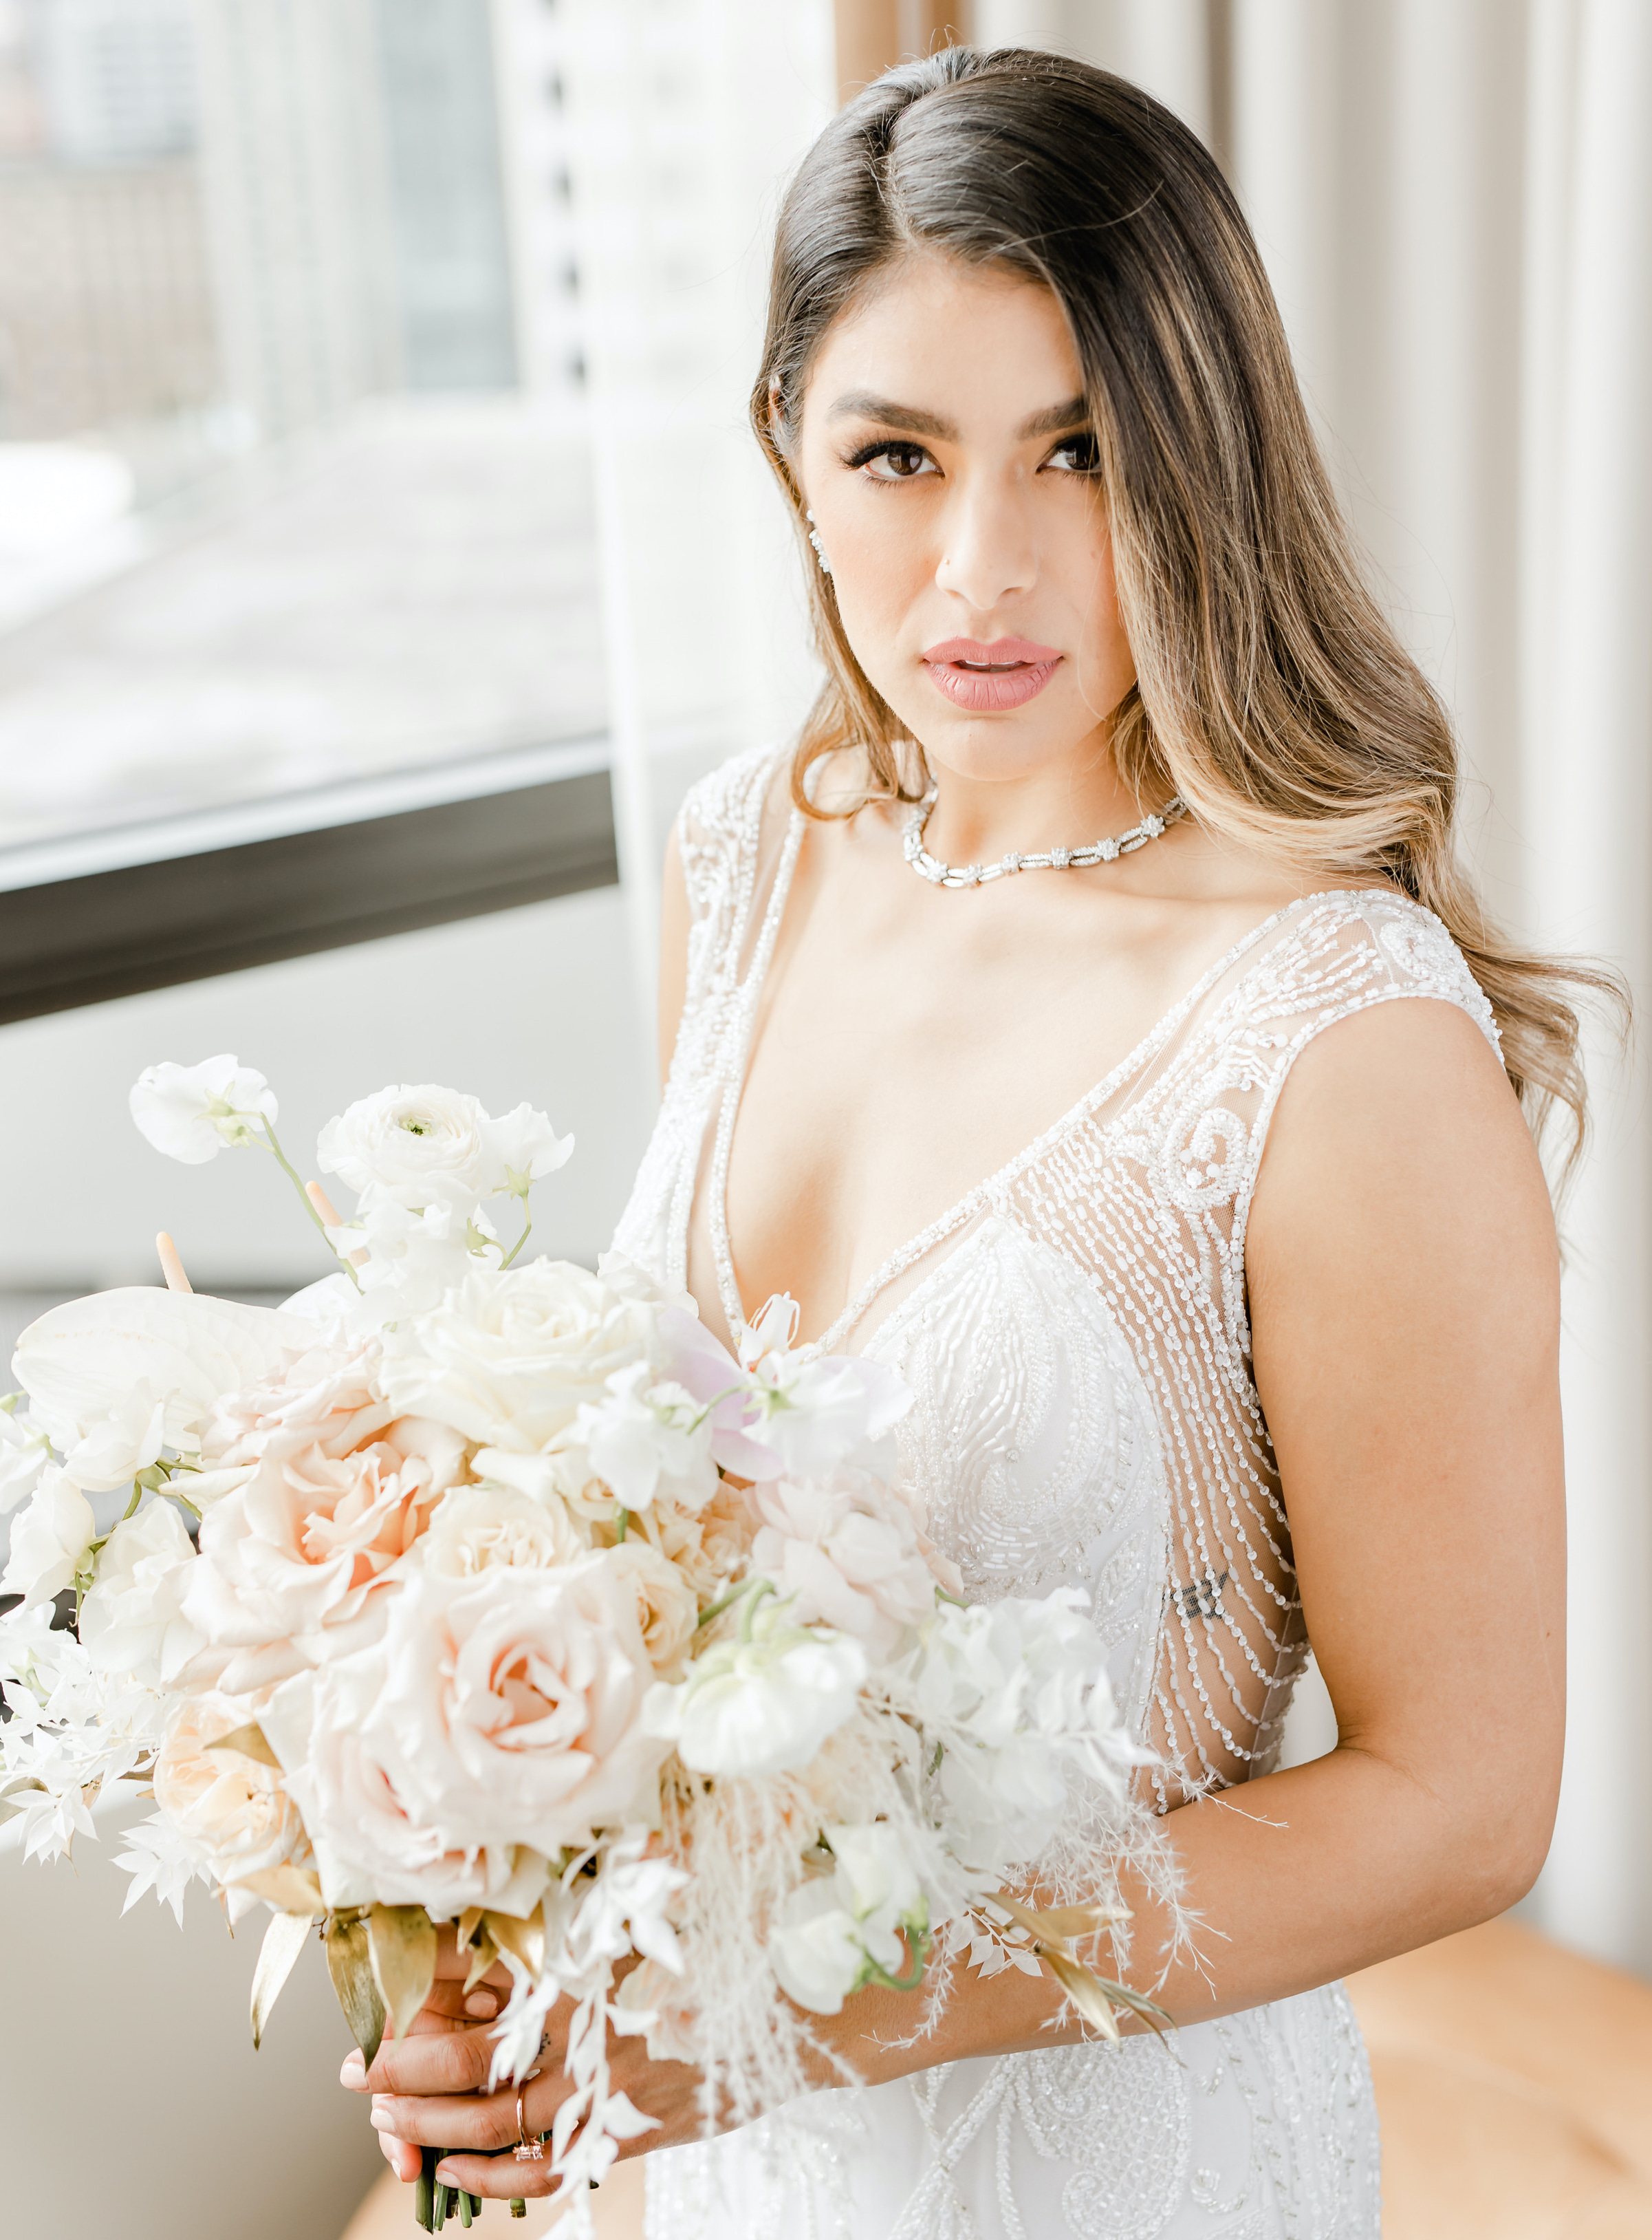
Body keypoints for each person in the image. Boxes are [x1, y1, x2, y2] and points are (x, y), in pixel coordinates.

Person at [348, 46, 1593, 2237]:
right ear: (787, 460)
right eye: (895, 456)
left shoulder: (1333, 1032)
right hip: (733, 2163)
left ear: (1199, 466)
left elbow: (1459, 1802)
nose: (977, 572)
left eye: (1080, 452)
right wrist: (500, 1953)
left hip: (1115, 2168)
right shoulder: (746, 860)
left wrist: (802, 2007)